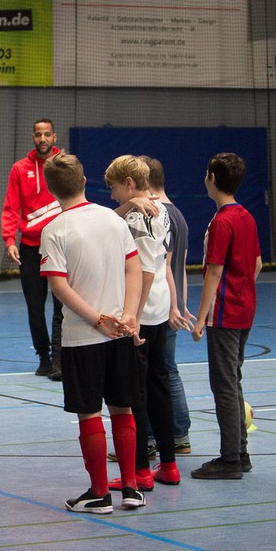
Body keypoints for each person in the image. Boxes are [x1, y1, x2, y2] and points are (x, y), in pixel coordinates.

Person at [39, 151, 145, 513]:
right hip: (120, 334)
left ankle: (100, 493)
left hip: (84, 338)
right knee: (122, 408)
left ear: (51, 191)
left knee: (89, 413)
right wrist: (129, 314)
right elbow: (134, 269)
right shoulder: (113, 220)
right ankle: (131, 488)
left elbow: (59, 286)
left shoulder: (54, 230)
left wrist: (98, 319)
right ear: (84, 182)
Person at [105, 155, 180, 491]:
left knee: (135, 392)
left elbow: (146, 270)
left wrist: (132, 316)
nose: (112, 196)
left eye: (115, 189)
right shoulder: (161, 209)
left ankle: (140, 472)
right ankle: (169, 465)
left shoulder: (138, 216)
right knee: (159, 385)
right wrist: (129, 203)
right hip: (160, 309)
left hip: (143, 312)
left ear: (130, 184)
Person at [191, 152, 262, 480]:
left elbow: (215, 272)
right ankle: (240, 452)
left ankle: (230, 459)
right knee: (233, 380)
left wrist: (201, 317)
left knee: (223, 385)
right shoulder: (246, 216)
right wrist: (243, 289)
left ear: (212, 179)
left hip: (224, 314)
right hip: (245, 310)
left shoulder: (222, 221)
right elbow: (257, 264)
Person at [140, 156, 196, 455]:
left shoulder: (158, 214)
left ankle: (159, 436)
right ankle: (176, 435)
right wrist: (181, 303)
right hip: (171, 303)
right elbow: (180, 267)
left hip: (159, 306)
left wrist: (175, 306)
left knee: (160, 372)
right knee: (166, 370)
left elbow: (166, 267)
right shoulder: (180, 215)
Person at [1, 118, 63, 379]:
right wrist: (9, 240)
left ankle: (59, 359)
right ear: (33, 138)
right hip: (29, 248)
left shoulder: (65, 165)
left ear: (54, 137)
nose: (42, 139)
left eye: (47, 134)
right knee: (35, 308)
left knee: (62, 305)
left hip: (60, 247)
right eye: (38, 134)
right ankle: (44, 358)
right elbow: (11, 207)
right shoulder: (19, 169)